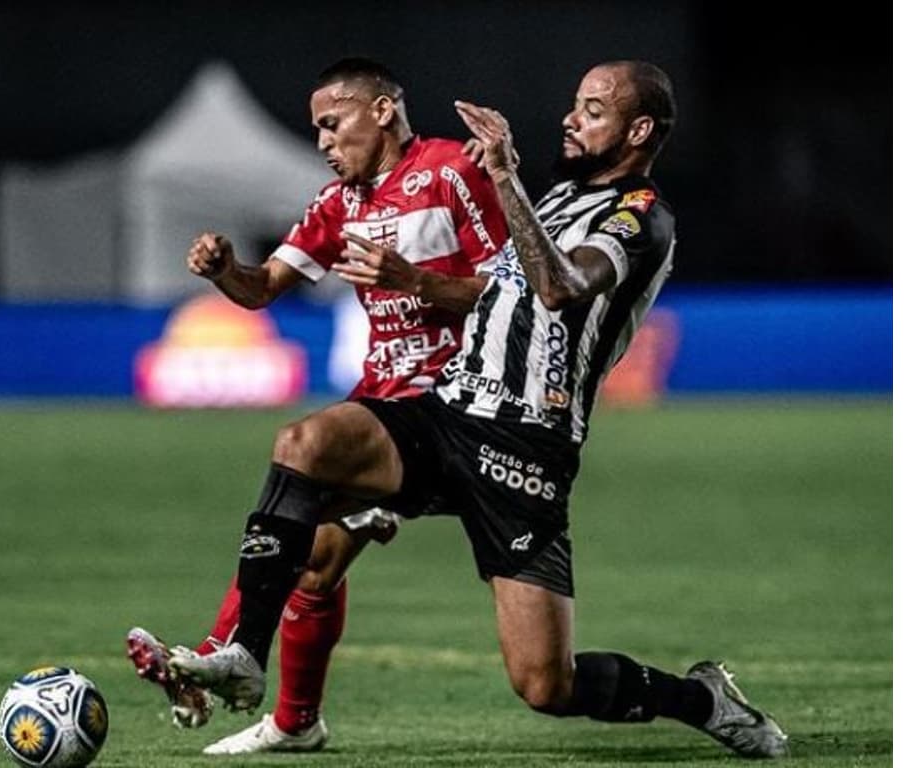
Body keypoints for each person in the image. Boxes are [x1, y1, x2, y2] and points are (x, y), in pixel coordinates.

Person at [168, 60, 789, 759]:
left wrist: (496, 184)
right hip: (449, 413)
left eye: (591, 109)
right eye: (574, 106)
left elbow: (557, 288)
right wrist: (431, 267)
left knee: (545, 685)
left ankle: (700, 698)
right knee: (305, 446)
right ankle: (245, 656)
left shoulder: (642, 218)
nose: (570, 119)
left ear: (639, 130)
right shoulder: (551, 200)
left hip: (528, 449)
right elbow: (494, 289)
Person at [125, 57, 510, 754]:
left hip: (458, 408)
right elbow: (263, 286)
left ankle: (228, 655)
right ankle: (290, 715)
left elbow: (512, 289)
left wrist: (416, 281)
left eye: (332, 124)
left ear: (383, 111)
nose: (324, 143)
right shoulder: (339, 204)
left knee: (302, 462)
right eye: (317, 132)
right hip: (382, 407)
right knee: (311, 561)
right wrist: (223, 271)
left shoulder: (453, 169)